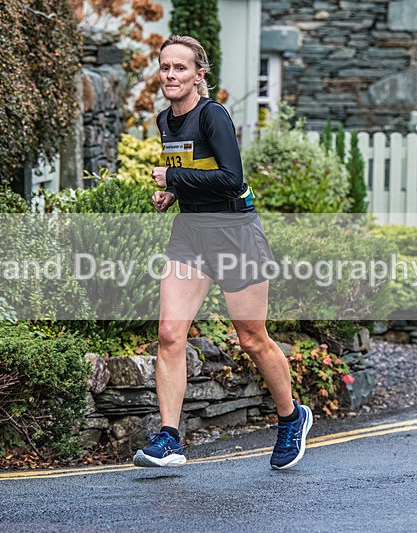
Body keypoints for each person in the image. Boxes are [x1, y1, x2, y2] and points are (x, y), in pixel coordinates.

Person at [131, 35, 312, 470]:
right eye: (165, 67)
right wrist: (173, 194)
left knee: (251, 338)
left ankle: (291, 416)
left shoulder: (213, 115)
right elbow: (196, 172)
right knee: (169, 334)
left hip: (234, 233)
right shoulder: (164, 120)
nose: (170, 75)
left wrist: (173, 179)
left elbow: (231, 178)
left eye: (180, 68)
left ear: (199, 74)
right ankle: (170, 438)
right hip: (190, 234)